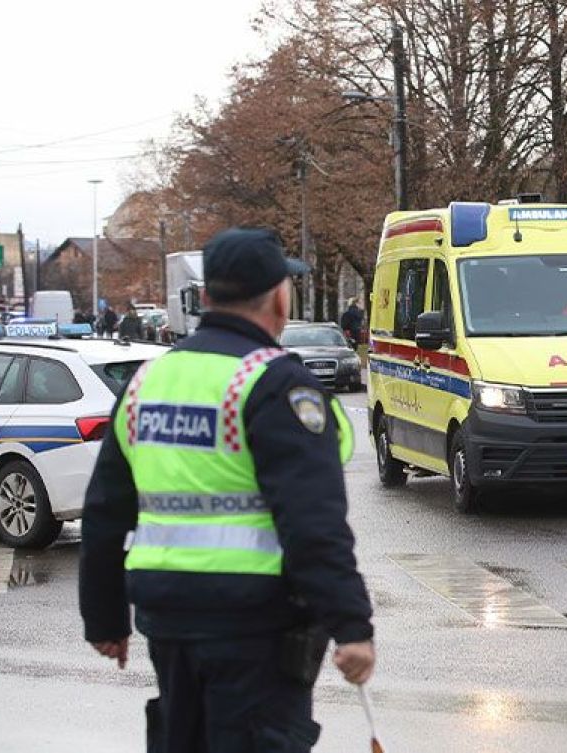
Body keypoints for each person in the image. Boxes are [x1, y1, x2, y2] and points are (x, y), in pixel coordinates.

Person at [79, 227, 375, 753]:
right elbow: (313, 522)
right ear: (280, 297)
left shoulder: (148, 380)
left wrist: (105, 620)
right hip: (254, 624)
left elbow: (104, 511)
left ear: (208, 296)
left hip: (166, 616)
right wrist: (351, 625)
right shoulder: (272, 383)